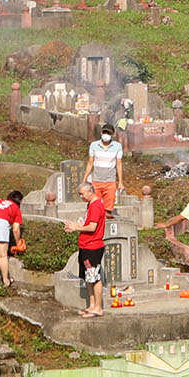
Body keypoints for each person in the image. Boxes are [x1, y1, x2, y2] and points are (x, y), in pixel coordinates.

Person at [75, 179, 108, 317]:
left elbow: (93, 227)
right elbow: (88, 222)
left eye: (82, 194)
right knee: (87, 277)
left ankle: (98, 308)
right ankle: (92, 305)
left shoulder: (96, 206)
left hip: (93, 246)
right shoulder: (90, 204)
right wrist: (80, 223)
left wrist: (76, 227)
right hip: (85, 245)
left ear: (90, 191)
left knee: (94, 277)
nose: (81, 197)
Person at [87, 122, 125, 211]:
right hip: (96, 180)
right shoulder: (94, 145)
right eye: (104, 133)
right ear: (101, 133)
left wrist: (120, 182)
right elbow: (90, 163)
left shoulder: (117, 146)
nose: (106, 135)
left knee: (108, 208)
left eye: (108, 133)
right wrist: (84, 179)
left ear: (113, 135)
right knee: (95, 207)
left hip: (110, 181)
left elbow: (119, 164)